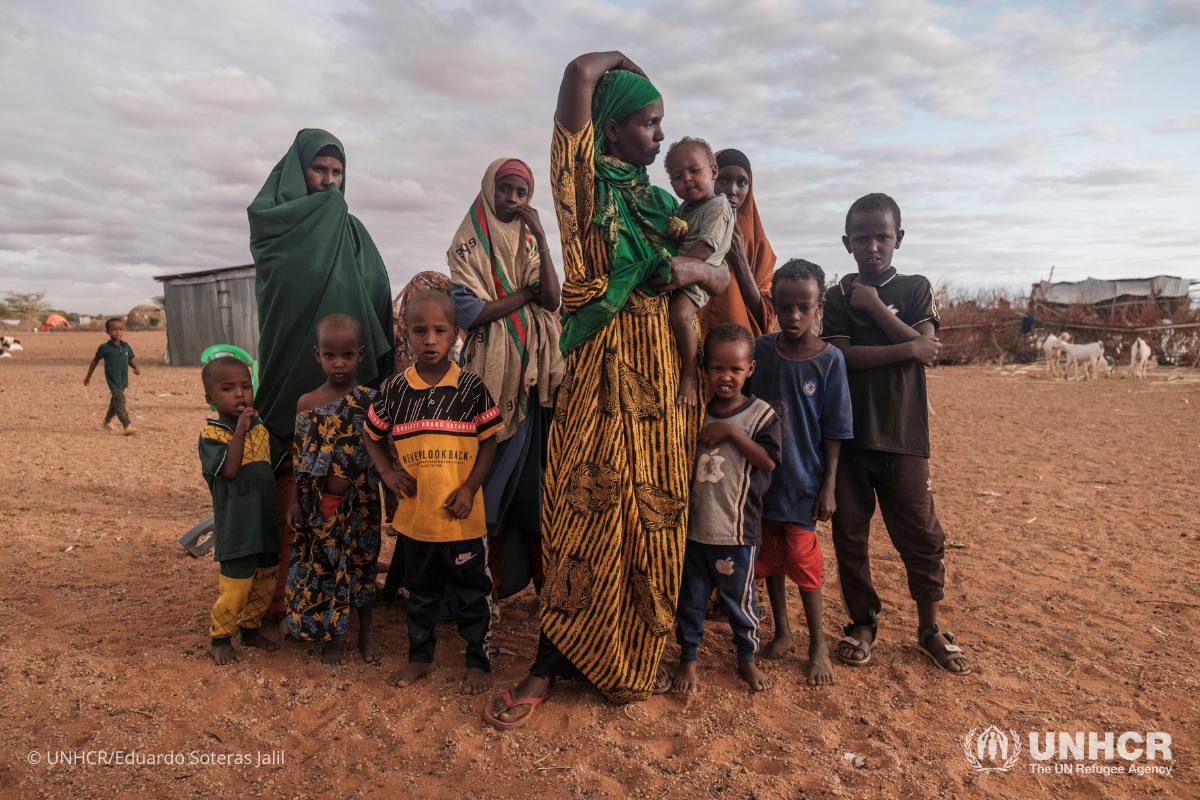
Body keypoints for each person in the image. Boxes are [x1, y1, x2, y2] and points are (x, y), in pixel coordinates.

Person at [484, 51, 730, 730]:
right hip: (600, 371)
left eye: (662, 124)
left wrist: (687, 270)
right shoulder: (583, 192)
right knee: (583, 516)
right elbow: (574, 84)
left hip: (662, 379)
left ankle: (630, 654)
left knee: (653, 517)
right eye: (650, 123)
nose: (659, 136)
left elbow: (718, 280)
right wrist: (613, 61)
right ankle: (548, 660)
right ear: (613, 129)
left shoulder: (661, 205)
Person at [821, 193, 971, 675]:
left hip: (905, 436)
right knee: (850, 535)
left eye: (882, 236)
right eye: (861, 238)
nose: (872, 246)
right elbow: (843, 357)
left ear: (898, 239)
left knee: (922, 535)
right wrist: (907, 346)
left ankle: (930, 628)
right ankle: (862, 622)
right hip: (851, 434)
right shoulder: (837, 295)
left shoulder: (913, 287)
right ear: (847, 243)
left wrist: (877, 309)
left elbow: (928, 350)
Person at [248, 129, 394, 612]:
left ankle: (345, 594)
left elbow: (373, 291)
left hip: (349, 391)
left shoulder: (352, 231)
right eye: (319, 170)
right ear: (298, 171)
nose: (330, 182)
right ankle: (280, 596)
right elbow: (284, 294)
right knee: (292, 491)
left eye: (338, 173)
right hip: (289, 376)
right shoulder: (272, 226)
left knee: (345, 496)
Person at [362, 291, 501, 694]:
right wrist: (387, 471)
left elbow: (489, 442)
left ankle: (478, 663)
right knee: (420, 596)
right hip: (417, 520)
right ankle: (419, 659)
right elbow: (372, 435)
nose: (430, 339)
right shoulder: (393, 391)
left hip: (463, 519)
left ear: (455, 334)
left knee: (473, 596)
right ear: (405, 332)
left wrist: (470, 487)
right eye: (419, 330)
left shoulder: (471, 388)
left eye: (440, 330)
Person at [449, 158, 563, 601]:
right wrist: (522, 296)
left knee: (530, 484)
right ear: (489, 189)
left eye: (522, 193)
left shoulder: (530, 242)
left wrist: (542, 237)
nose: (513, 200)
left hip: (532, 375)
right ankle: (469, 583)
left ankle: (518, 578)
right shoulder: (467, 243)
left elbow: (551, 298)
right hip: (490, 372)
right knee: (487, 476)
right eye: (506, 190)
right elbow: (472, 312)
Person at [746, 260, 853, 686]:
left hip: (804, 483)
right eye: (784, 306)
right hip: (763, 481)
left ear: (819, 307)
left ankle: (818, 645)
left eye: (803, 308)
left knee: (805, 564)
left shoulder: (830, 361)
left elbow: (835, 428)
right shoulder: (760, 350)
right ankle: (783, 632)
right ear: (773, 304)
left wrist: (828, 485)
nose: (793, 317)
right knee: (768, 559)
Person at [672, 323, 781, 693]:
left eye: (735, 369)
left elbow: (768, 462)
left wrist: (732, 433)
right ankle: (688, 658)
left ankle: (746, 659)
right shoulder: (695, 412)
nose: (726, 377)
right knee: (692, 600)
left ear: (750, 369)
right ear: (705, 369)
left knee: (740, 600)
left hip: (736, 531)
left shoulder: (760, 416)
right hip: (695, 531)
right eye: (718, 368)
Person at [284, 314, 382, 666]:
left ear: (361, 354)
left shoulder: (373, 399)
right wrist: (295, 499)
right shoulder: (307, 403)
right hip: (320, 503)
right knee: (326, 566)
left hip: (364, 500)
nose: (338, 363)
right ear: (317, 355)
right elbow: (300, 458)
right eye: (330, 355)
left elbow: (385, 451)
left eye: (347, 355)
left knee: (363, 563)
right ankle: (333, 635)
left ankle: (365, 632)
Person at [198, 357, 287, 665]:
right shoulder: (211, 436)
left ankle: (249, 630)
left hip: (264, 525)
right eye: (228, 388)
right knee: (235, 588)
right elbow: (231, 470)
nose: (240, 394)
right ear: (211, 399)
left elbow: (282, 463)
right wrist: (240, 431)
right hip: (236, 529)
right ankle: (219, 639)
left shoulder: (260, 430)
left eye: (245, 387)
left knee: (264, 583)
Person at [663, 137, 735, 405]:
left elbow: (705, 249)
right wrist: (674, 229)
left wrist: (675, 268)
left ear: (713, 172)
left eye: (695, 171)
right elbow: (681, 236)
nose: (688, 179)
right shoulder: (684, 207)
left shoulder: (718, 206)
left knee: (680, 315)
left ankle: (690, 375)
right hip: (681, 270)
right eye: (678, 176)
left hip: (696, 276)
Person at [697, 149, 777, 339]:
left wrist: (740, 259)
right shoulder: (686, 225)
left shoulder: (758, 245)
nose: (732, 190)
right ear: (709, 179)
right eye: (723, 179)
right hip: (690, 343)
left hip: (738, 356)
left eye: (742, 182)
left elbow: (764, 316)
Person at [84, 318, 140, 435]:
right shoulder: (105, 347)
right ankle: (127, 425)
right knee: (120, 400)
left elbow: (129, 358)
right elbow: (95, 361)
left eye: (120, 329)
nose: (117, 332)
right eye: (114, 329)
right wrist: (88, 376)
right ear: (107, 332)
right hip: (113, 379)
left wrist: (135, 367)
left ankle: (107, 421)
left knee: (115, 402)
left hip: (123, 379)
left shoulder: (126, 346)